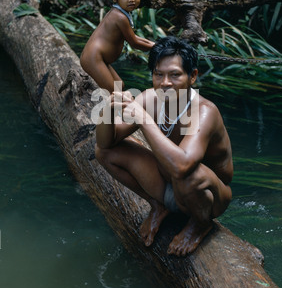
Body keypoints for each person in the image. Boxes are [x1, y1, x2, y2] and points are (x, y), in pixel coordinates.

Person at [95, 36, 233, 256]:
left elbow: (182, 166)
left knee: (189, 174)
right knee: (106, 152)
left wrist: (144, 120)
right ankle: (158, 205)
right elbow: (105, 143)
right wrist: (107, 112)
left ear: (193, 76)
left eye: (175, 75)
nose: (165, 82)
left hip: (207, 197)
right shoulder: (150, 98)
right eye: (158, 74)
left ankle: (200, 225)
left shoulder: (205, 111)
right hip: (168, 182)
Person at [80, 0, 155, 93]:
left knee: (120, 85)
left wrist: (157, 44)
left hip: (99, 58)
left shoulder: (122, 13)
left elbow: (134, 37)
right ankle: (104, 111)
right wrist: (157, 46)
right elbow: (134, 42)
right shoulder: (119, 16)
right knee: (114, 91)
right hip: (93, 58)